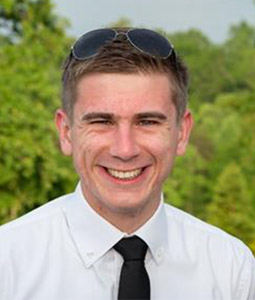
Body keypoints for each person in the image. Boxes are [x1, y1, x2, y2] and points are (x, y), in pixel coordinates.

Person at [0, 27, 254, 300]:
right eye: (101, 121)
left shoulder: (231, 270)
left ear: (182, 132)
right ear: (66, 132)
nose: (125, 149)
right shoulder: (8, 265)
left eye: (147, 122)